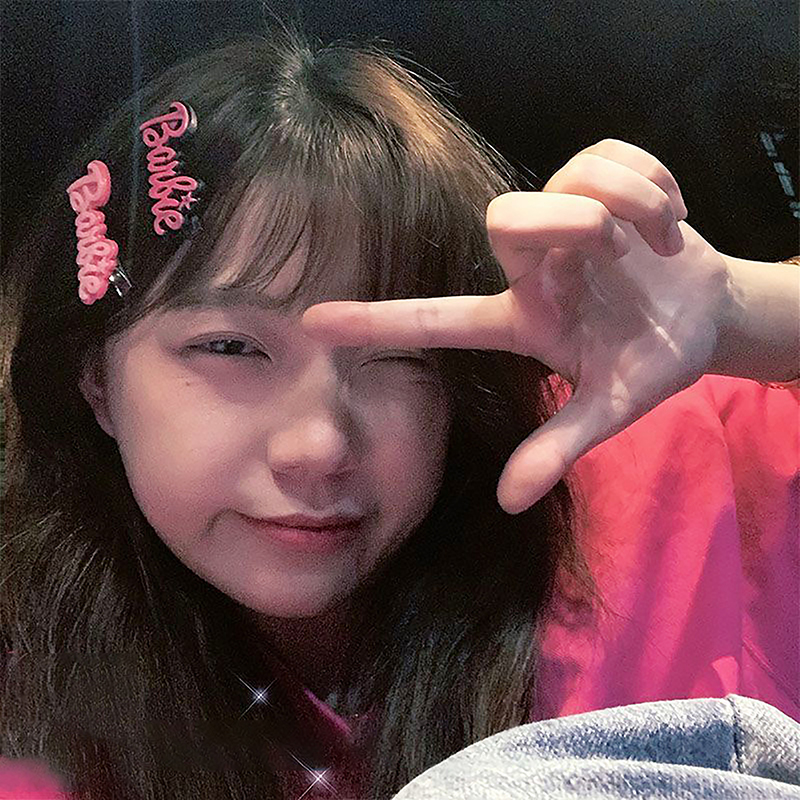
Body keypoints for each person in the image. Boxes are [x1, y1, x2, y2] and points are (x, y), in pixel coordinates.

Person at [1, 25, 797, 800]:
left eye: (399, 354)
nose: (319, 446)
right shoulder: (32, 698)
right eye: (231, 348)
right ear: (95, 382)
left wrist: (743, 310)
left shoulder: (659, 470)